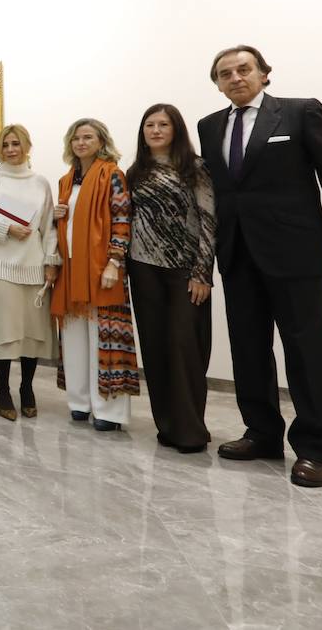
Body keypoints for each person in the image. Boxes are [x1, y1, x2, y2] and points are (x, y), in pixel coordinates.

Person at [197, 46, 322, 487]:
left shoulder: (299, 113)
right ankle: (262, 433)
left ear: (264, 74)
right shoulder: (210, 126)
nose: (235, 78)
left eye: (243, 69)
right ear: (217, 83)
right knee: (248, 348)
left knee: (307, 351)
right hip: (237, 253)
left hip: (295, 252)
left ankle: (314, 448)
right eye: (224, 73)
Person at [126, 104, 216, 453]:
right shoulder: (136, 172)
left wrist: (202, 272)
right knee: (156, 347)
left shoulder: (195, 168)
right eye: (150, 124)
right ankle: (166, 426)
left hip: (184, 271)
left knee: (186, 347)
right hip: (143, 269)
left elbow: (209, 220)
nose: (156, 130)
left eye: (164, 124)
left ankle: (191, 430)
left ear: (176, 129)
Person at [0, 124, 58, 420]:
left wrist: (50, 262)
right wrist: (6, 228)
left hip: (32, 268)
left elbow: (48, 227)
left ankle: (27, 388)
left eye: (16, 144)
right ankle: (3, 388)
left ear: (27, 146)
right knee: (4, 333)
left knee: (30, 333)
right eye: (5, 144)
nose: (10, 149)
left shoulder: (40, 182)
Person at [50, 118, 138, 431]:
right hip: (71, 268)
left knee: (106, 337)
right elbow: (63, 226)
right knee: (73, 338)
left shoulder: (112, 174)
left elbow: (121, 219)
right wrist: (56, 215)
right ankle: (80, 402)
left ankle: (109, 412)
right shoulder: (65, 180)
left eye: (88, 137)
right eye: (76, 138)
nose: (81, 143)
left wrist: (115, 261)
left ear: (101, 141)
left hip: (102, 268)